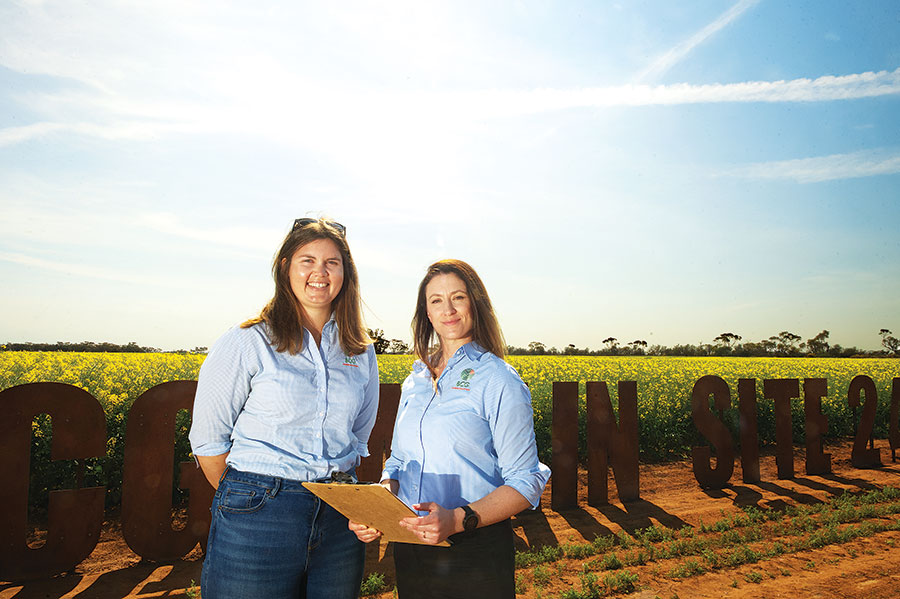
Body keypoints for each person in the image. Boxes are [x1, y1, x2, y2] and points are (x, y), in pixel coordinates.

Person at [189, 217, 379, 599]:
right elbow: (208, 441)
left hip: (340, 515)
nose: (319, 273)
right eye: (307, 260)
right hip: (260, 512)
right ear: (285, 267)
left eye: (332, 262)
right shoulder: (248, 341)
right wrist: (255, 500)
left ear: (346, 272)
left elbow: (358, 434)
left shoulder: (360, 350)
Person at [349, 259, 550, 599]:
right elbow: (398, 460)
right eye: (436, 300)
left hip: (475, 550)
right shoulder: (416, 380)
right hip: (412, 545)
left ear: (475, 303)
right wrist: (381, 503)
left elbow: (526, 481)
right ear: (426, 312)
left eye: (458, 297)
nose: (448, 309)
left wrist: (457, 520)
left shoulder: (498, 380)